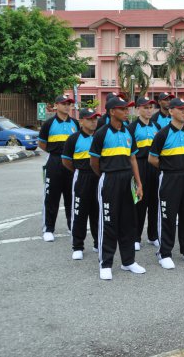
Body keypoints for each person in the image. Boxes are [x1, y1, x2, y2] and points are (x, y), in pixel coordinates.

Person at [89, 97, 145, 281]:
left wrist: (138, 183)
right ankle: (105, 263)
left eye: (127, 108)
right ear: (112, 111)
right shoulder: (101, 133)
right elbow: (94, 162)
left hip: (127, 180)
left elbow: (133, 159)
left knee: (128, 222)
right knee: (108, 222)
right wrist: (107, 176)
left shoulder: (129, 132)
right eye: (122, 109)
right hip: (109, 180)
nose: (126, 111)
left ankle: (128, 261)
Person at [149, 97, 184, 269]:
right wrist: (169, 168)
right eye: (180, 109)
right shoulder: (163, 134)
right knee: (168, 216)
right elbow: (152, 159)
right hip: (169, 179)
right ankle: (164, 253)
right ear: (171, 111)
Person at [38, 95, 80, 242]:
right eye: (64, 104)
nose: (67, 106)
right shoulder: (49, 124)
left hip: (71, 164)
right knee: (51, 197)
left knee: (71, 196)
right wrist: (55, 153)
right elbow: (42, 144)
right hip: (54, 162)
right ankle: (48, 229)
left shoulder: (75, 123)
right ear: (56, 105)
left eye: (69, 104)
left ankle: (72, 226)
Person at [62, 108, 101, 260]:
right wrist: (79, 171)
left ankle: (98, 242)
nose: (93, 122)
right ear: (81, 121)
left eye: (95, 119)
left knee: (98, 212)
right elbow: (66, 160)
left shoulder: (100, 136)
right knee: (79, 212)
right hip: (82, 177)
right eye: (90, 119)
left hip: (98, 177)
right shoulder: (73, 139)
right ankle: (78, 246)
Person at [127, 97, 160, 251]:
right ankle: (135, 237)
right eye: (145, 107)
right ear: (138, 108)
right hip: (139, 166)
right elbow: (129, 153)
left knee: (155, 202)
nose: (148, 110)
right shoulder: (132, 127)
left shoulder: (157, 126)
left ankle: (153, 236)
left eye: (151, 107)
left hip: (154, 166)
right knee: (139, 203)